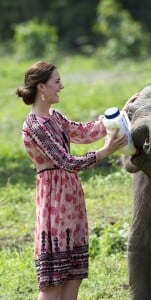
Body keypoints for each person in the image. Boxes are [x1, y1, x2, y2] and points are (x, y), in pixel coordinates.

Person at [16, 61, 128, 300]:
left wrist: (122, 113)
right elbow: (66, 162)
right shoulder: (35, 126)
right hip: (54, 203)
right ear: (41, 87)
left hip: (71, 198)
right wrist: (104, 152)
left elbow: (85, 131)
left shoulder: (55, 118)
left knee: (73, 276)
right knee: (53, 282)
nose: (62, 86)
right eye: (57, 82)